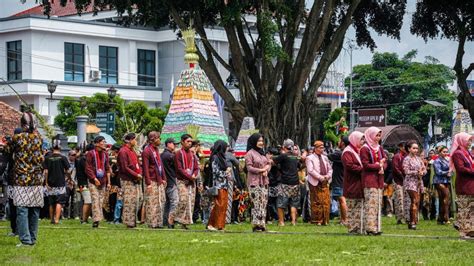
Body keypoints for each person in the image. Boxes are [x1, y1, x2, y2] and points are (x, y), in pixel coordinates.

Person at [8, 112, 44, 246]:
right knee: (34, 210)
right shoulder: (39, 138)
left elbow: (7, 150)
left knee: (22, 210)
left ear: (22, 124)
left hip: (21, 180)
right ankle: (33, 239)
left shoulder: (17, 138)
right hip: (37, 179)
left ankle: (25, 240)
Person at [360, 127, 387, 235]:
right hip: (370, 179)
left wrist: (382, 167)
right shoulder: (365, 149)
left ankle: (376, 227)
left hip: (379, 179)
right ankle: (370, 228)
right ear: (370, 135)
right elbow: (365, 164)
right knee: (371, 204)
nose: (378, 137)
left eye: (379, 135)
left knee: (378, 204)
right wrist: (378, 166)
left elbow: (384, 161)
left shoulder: (379, 148)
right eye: (376, 135)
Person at [245, 133, 271, 232]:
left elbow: (268, 163)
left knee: (263, 203)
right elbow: (249, 167)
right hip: (254, 182)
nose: (261, 143)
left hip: (264, 182)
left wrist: (266, 170)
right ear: (254, 142)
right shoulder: (250, 153)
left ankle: (262, 224)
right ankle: (256, 225)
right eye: (259, 141)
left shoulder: (263, 153)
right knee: (256, 203)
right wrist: (261, 170)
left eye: (261, 141)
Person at [450, 132, 474, 239]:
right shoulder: (458, 153)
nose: (470, 142)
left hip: (470, 184)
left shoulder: (467, 153)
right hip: (464, 185)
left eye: (470, 140)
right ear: (462, 140)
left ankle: (470, 230)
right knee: (465, 208)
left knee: (471, 209)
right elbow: (461, 169)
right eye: (468, 140)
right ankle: (463, 232)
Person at [174, 134, 199, 229]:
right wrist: (189, 177)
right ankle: (174, 218)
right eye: (188, 141)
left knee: (190, 202)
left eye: (191, 142)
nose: (190, 143)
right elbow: (179, 169)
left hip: (191, 181)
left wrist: (194, 175)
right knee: (183, 199)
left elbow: (196, 168)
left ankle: (184, 223)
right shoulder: (178, 153)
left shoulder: (192, 154)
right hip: (181, 180)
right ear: (182, 142)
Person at [273, 139, 301, 226]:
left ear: (284, 147)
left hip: (285, 182)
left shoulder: (283, 155)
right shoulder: (295, 156)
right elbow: (299, 166)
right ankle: (293, 221)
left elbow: (273, 161)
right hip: (295, 182)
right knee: (293, 203)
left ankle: (281, 222)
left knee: (281, 203)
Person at [342, 131, 365, 234]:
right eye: (361, 139)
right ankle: (352, 228)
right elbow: (350, 166)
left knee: (359, 206)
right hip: (352, 182)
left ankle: (359, 227)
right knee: (352, 206)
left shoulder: (357, 151)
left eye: (363, 139)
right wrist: (364, 169)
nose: (363, 142)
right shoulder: (348, 152)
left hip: (359, 182)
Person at [85, 136, 111, 228]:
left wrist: (109, 182)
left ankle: (98, 220)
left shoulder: (105, 154)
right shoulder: (90, 154)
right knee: (95, 200)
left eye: (104, 142)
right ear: (96, 144)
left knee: (101, 201)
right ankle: (96, 220)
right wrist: (94, 178)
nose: (104, 143)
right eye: (102, 142)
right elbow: (88, 168)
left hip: (103, 180)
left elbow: (107, 168)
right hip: (93, 181)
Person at [118, 133, 142, 228]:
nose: (136, 141)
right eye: (135, 139)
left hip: (135, 179)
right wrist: (136, 175)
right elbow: (124, 167)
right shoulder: (123, 151)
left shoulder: (132, 151)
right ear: (130, 140)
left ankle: (133, 221)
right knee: (129, 201)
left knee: (137, 200)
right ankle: (129, 223)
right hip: (127, 180)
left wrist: (139, 173)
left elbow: (137, 165)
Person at [142, 131, 166, 229]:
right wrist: (148, 183)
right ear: (153, 139)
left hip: (158, 179)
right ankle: (152, 223)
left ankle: (158, 223)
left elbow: (160, 165)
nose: (160, 140)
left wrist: (163, 178)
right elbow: (146, 168)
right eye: (159, 138)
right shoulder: (147, 151)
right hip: (151, 180)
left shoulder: (156, 150)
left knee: (160, 201)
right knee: (151, 202)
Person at [306, 140, 333, 226]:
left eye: (323, 148)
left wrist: (327, 176)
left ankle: (325, 220)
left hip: (325, 181)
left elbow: (330, 169)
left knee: (326, 201)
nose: (322, 149)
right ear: (316, 148)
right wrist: (320, 177)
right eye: (320, 148)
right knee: (316, 201)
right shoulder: (310, 158)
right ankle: (317, 220)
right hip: (315, 182)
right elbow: (310, 170)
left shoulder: (325, 157)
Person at [43, 139, 70, 224]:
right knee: (59, 201)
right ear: (60, 147)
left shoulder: (47, 158)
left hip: (50, 183)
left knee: (51, 202)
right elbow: (68, 170)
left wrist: (46, 182)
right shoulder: (63, 158)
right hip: (60, 182)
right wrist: (68, 177)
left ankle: (51, 219)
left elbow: (46, 172)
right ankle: (57, 220)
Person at [402, 140, 427, 230]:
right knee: (414, 200)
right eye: (414, 148)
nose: (416, 150)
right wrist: (416, 172)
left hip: (418, 182)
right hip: (410, 182)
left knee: (417, 201)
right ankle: (412, 222)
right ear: (409, 149)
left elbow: (424, 169)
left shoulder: (418, 158)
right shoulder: (406, 159)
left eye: (417, 148)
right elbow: (406, 171)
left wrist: (422, 172)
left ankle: (413, 220)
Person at [207, 140, 230, 231]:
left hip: (224, 184)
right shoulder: (215, 157)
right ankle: (213, 224)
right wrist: (226, 173)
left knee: (223, 205)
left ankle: (219, 225)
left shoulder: (222, 158)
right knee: (219, 205)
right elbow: (215, 171)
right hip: (218, 184)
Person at [328, 137, 349, 225]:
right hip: (344, 179)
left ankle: (345, 220)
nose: (338, 142)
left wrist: (331, 149)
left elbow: (329, 156)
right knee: (342, 200)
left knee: (341, 200)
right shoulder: (347, 152)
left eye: (340, 141)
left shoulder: (341, 153)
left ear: (343, 143)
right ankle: (342, 219)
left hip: (340, 180)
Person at [162, 138, 179, 229]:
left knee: (167, 203)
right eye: (173, 144)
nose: (175, 145)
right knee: (175, 202)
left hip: (166, 181)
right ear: (168, 144)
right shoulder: (169, 156)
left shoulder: (163, 155)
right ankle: (170, 221)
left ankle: (165, 221)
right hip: (171, 181)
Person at [433, 146, 451, 225]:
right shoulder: (437, 161)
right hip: (438, 181)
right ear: (439, 152)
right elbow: (438, 172)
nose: (445, 153)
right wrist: (447, 172)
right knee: (446, 198)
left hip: (446, 181)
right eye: (444, 151)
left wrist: (450, 173)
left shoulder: (447, 160)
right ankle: (446, 217)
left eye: (447, 151)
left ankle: (440, 219)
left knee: (442, 199)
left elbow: (451, 170)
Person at [391, 141, 406, 224]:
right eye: (403, 147)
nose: (405, 149)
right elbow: (395, 168)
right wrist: (402, 176)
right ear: (400, 147)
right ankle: (400, 217)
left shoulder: (406, 156)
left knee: (405, 199)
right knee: (399, 199)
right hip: (398, 181)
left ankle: (405, 216)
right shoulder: (397, 156)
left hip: (405, 181)